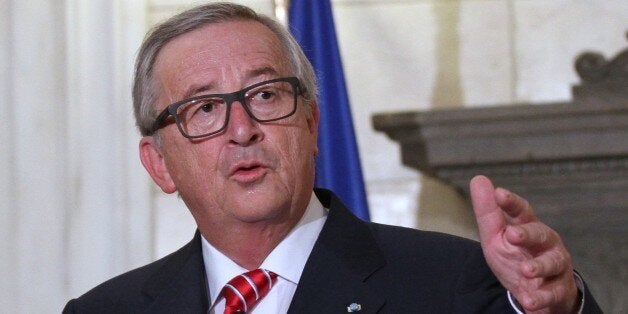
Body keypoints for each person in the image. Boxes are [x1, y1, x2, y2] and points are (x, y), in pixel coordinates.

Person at [63, 2, 601, 313]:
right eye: (204, 109)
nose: (243, 129)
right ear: (158, 164)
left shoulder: (456, 283)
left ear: (312, 123)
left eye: (266, 94)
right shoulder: (104, 312)